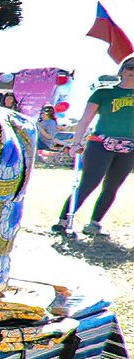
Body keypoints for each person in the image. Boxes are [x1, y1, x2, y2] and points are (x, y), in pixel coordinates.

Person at [54, 57, 134, 236]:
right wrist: (76, 143)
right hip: (100, 144)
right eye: (129, 67)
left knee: (112, 186)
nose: (132, 71)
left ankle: (95, 223)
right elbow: (85, 119)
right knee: (89, 183)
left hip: (129, 148)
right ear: (121, 70)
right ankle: (64, 220)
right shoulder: (103, 93)